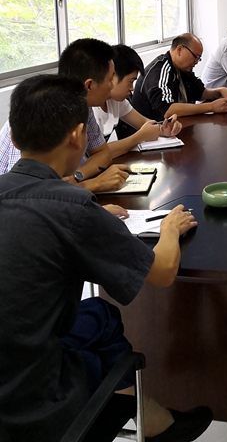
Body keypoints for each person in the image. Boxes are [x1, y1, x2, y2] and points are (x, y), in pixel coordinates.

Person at [0, 74, 212, 442]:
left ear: (14, 139)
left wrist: (91, 214)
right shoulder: (72, 208)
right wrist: (169, 229)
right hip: (30, 398)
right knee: (104, 322)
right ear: (77, 135)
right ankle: (145, 419)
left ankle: (153, 419)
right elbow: (162, 272)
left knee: (97, 312)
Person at [0, 38, 129, 193]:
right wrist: (92, 185)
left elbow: (103, 153)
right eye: (110, 79)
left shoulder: (82, 107)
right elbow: (26, 191)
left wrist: (77, 177)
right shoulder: (44, 112)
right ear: (89, 85)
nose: (112, 85)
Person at [131, 33, 227, 120]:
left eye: (199, 58)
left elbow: (199, 92)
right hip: (152, 134)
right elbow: (168, 110)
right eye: (195, 57)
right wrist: (211, 107)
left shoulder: (183, 68)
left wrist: (220, 91)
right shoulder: (160, 72)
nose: (196, 62)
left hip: (175, 127)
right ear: (179, 49)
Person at [94, 45, 182, 158]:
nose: (132, 88)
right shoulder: (91, 108)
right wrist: (139, 137)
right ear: (112, 76)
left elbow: (144, 123)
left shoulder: (116, 101)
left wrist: (163, 129)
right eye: (131, 81)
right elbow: (97, 153)